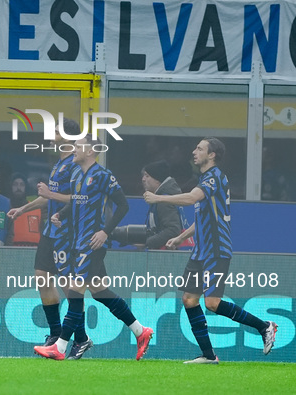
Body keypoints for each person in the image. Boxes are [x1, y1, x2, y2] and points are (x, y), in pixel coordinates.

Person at [144, 137, 277, 364]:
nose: (194, 151)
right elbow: (202, 218)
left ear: (212, 155)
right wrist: (180, 237)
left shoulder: (214, 177)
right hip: (200, 251)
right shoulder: (205, 178)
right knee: (189, 299)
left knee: (212, 303)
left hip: (216, 249)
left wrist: (158, 197)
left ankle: (265, 327)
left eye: (200, 148)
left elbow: (191, 198)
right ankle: (208, 355)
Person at [34, 134, 153, 361]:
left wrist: (105, 231)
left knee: (75, 291)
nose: (74, 149)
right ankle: (141, 331)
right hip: (77, 242)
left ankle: (59, 346)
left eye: (78, 146)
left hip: (93, 243)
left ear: (90, 151)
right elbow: (78, 201)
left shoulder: (103, 176)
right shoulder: (77, 173)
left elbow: (123, 205)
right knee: (100, 292)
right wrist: (61, 214)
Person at [8, 119, 93, 359]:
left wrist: (49, 193)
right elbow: (49, 197)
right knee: (42, 278)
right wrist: (23, 209)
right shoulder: (58, 163)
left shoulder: (76, 165)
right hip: (50, 230)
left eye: (56, 130)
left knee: (70, 287)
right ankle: (55, 334)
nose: (51, 133)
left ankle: (81, 338)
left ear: (67, 136)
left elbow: (81, 199)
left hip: (68, 231)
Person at [141, 160, 183, 249]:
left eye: (147, 176)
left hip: (165, 254)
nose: (143, 179)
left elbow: (173, 230)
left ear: (157, 180)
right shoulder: (164, 196)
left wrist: (147, 242)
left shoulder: (164, 200)